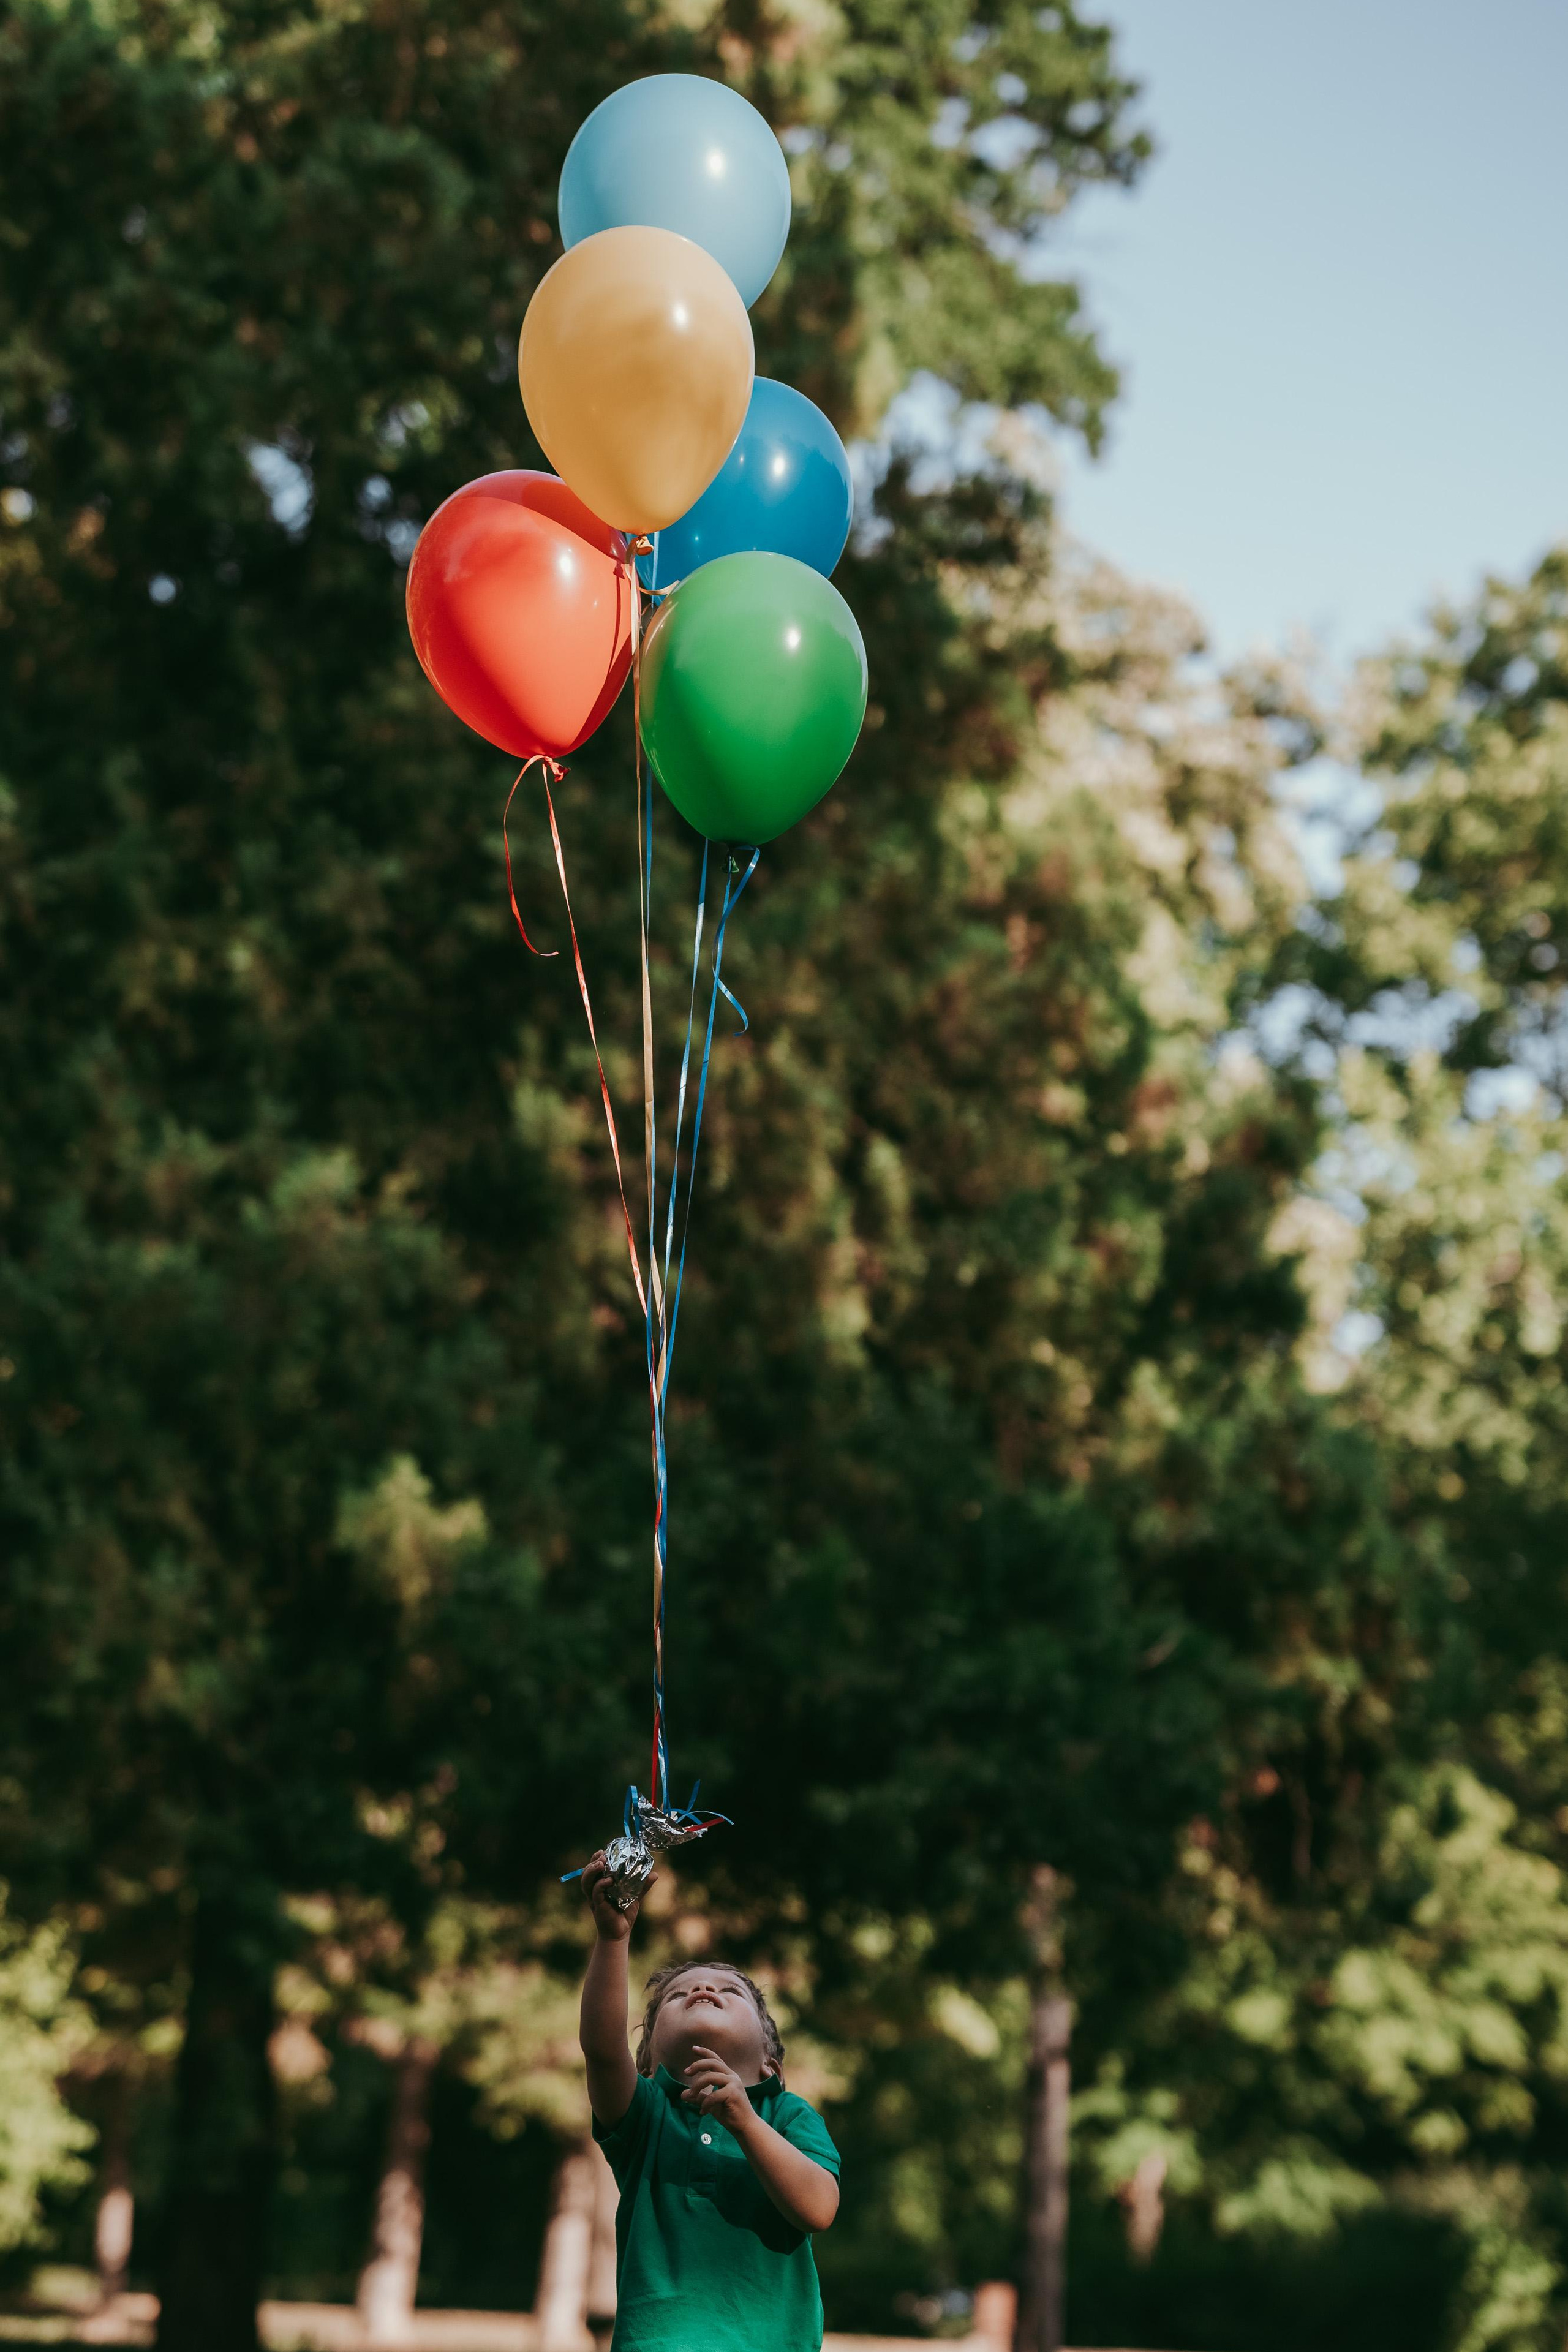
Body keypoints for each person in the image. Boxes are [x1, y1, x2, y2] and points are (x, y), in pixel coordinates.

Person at [578, 1850, 840, 2351]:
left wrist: (744, 2121)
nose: (701, 1987)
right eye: (678, 1995)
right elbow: (601, 2049)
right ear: (648, 2064)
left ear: (771, 2065)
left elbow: (819, 2210)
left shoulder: (788, 2115)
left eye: (729, 1990)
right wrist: (614, 1939)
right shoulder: (646, 2116)